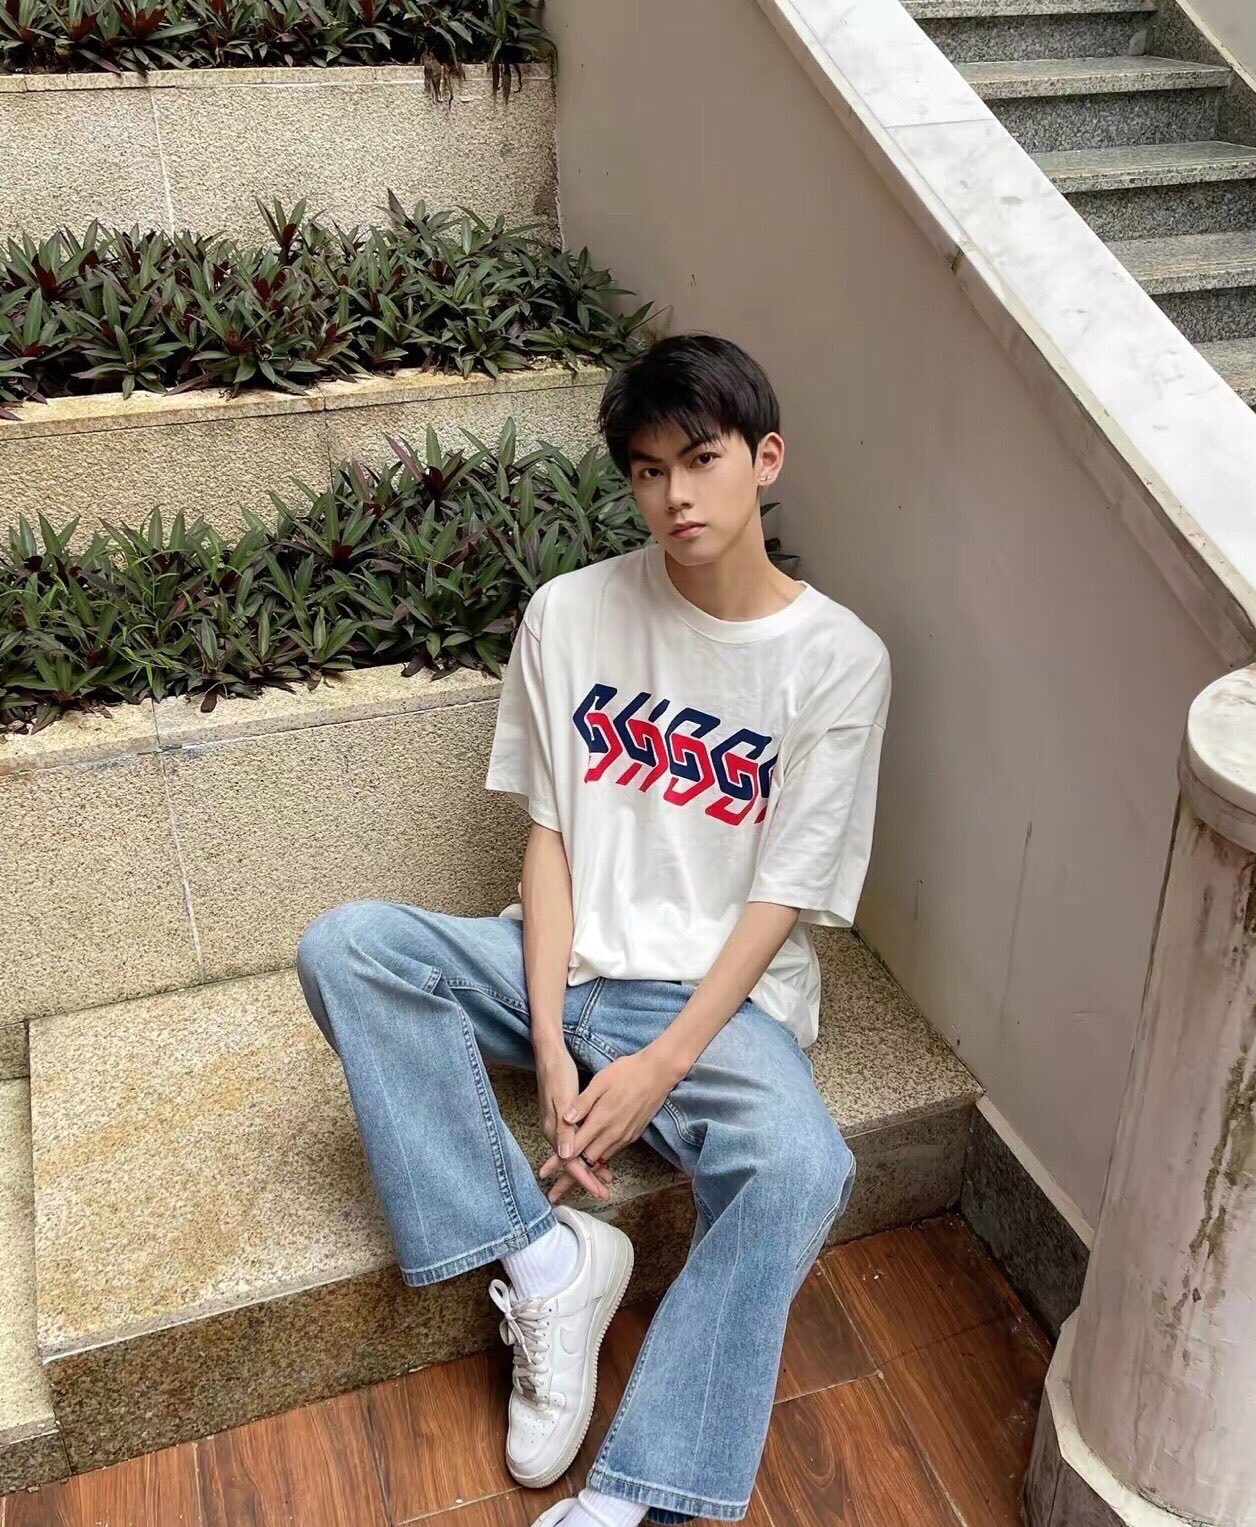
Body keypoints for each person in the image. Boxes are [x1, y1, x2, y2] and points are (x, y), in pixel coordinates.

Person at [295, 331, 891, 1526]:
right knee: (347, 946)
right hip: (560, 965)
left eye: (702, 460)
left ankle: (630, 1498)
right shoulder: (570, 614)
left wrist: (656, 1066)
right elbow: (553, 838)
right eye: (648, 471)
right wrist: (555, 1051)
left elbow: (780, 897)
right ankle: (548, 1260)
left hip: (711, 1001)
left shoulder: (839, 662)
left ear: (766, 459)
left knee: (802, 1163)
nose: (676, 496)